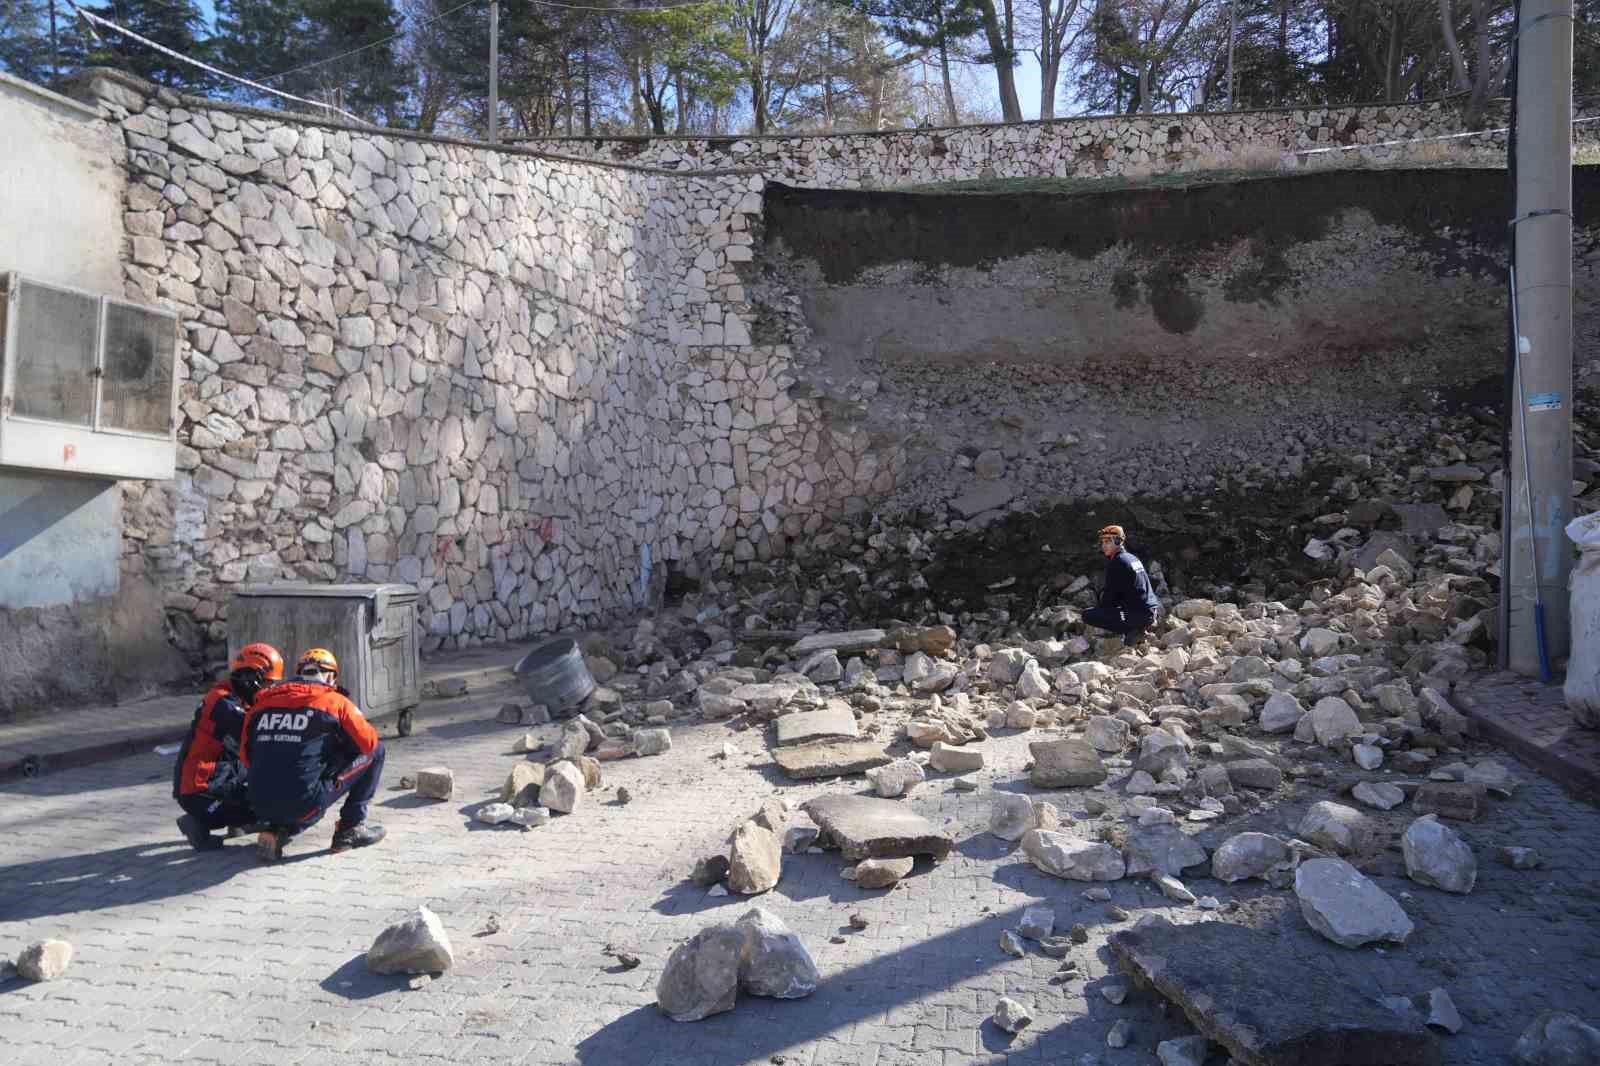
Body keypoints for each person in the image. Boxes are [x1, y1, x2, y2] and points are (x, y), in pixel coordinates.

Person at [241, 648, 387, 862]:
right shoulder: (334, 702)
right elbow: (370, 742)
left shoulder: (260, 704)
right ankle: (350, 828)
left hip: (257, 803)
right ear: (330, 676)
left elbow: (246, 757)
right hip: (304, 803)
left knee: (291, 778)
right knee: (376, 752)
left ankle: (276, 830)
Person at [173, 643, 284, 851]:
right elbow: (261, 736)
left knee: (256, 776)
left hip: (215, 780)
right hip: (200, 791)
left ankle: (232, 819)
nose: (269, 689)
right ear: (253, 679)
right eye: (268, 684)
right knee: (271, 802)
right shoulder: (223, 703)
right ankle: (199, 822)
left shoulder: (237, 698)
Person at [1084, 524, 1161, 644]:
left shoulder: (1117, 562)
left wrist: (1102, 611)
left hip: (1138, 615)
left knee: (1088, 615)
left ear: (1118, 541)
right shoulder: (1131, 558)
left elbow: (1110, 598)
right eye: (1102, 542)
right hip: (1151, 611)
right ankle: (1136, 626)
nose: (1103, 546)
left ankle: (1133, 631)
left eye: (1108, 542)